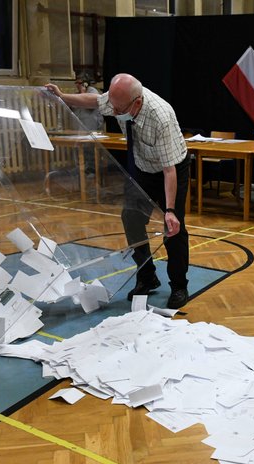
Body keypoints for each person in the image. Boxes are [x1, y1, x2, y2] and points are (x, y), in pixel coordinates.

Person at [46, 73, 191, 309]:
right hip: (143, 166)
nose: (112, 110)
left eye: (118, 107)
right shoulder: (118, 100)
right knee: (131, 217)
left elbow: (169, 171)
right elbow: (93, 101)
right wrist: (63, 97)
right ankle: (147, 276)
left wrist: (171, 210)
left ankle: (179, 285)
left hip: (170, 168)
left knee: (172, 228)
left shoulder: (161, 117)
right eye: (111, 104)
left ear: (137, 102)